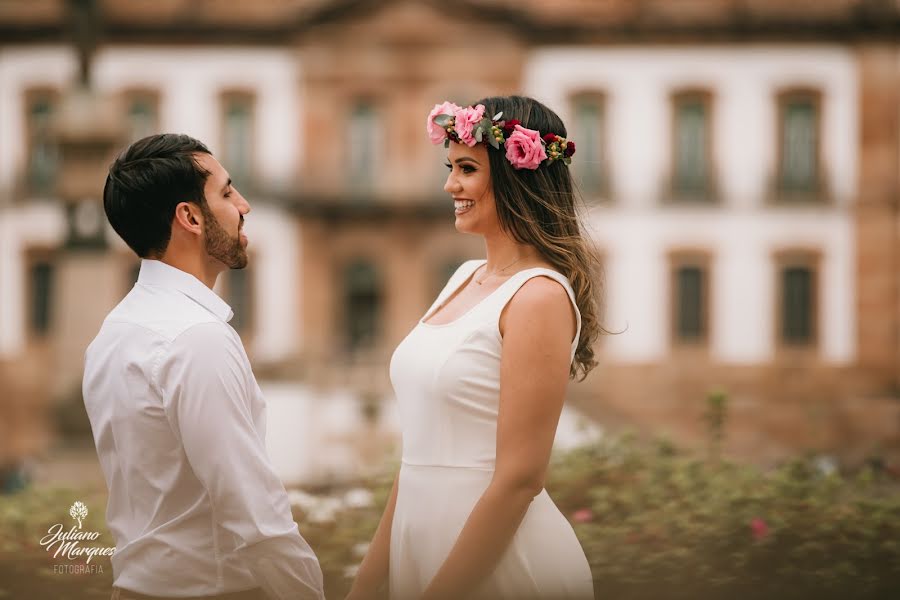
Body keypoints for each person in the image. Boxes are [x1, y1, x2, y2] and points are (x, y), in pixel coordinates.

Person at [348, 96, 601, 599]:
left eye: (466, 168)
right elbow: (415, 457)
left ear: (515, 177)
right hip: (420, 549)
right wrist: (366, 585)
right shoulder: (463, 277)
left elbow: (520, 480)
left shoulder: (539, 297)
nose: (449, 185)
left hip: (497, 567)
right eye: (451, 167)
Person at [83, 134, 324, 600]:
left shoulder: (113, 333)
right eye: (228, 192)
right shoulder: (197, 339)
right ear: (190, 217)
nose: (245, 205)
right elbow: (257, 517)